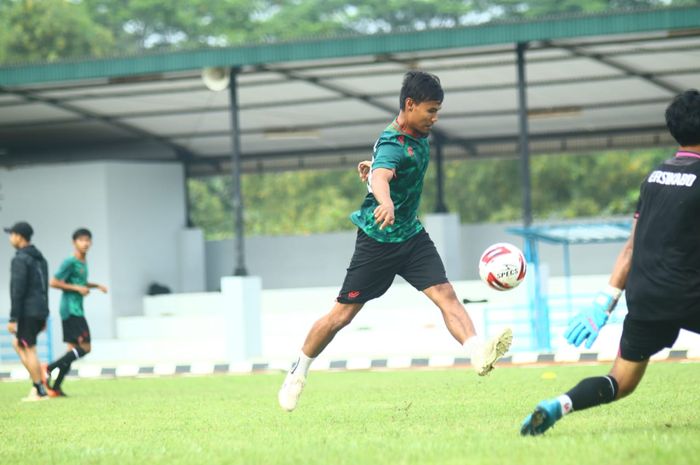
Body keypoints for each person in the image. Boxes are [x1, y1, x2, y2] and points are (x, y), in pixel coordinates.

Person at [277, 71, 513, 412]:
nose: (436, 117)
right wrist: (381, 196)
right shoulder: (392, 143)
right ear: (410, 105)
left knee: (445, 293)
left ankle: (477, 352)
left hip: (411, 236)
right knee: (340, 317)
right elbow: (383, 173)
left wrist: (374, 174)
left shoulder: (415, 133)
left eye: (438, 110)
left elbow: (384, 168)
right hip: (377, 241)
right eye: (431, 110)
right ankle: (298, 370)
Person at [521, 89, 700, 436]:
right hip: (690, 293)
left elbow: (631, 248)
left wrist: (602, 306)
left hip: (645, 299)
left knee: (619, 380)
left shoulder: (654, 178)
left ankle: (559, 404)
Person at [44, 228, 108, 397]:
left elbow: (81, 282)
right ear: (74, 243)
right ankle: (49, 368)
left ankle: (55, 387)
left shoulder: (83, 262)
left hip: (76, 309)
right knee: (86, 347)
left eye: (87, 240)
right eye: (81, 240)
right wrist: (77, 288)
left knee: (71, 352)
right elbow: (54, 282)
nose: (85, 243)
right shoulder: (70, 262)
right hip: (71, 310)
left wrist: (96, 286)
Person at [4, 221, 50, 401]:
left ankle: (39, 389)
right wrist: (45, 313)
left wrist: (13, 318)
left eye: (11, 234)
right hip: (39, 311)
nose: (10, 238)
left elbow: (18, 290)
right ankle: (38, 386)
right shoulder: (41, 258)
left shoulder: (20, 259)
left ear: (19, 236)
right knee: (19, 344)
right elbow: (44, 287)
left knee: (28, 348)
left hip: (27, 312)